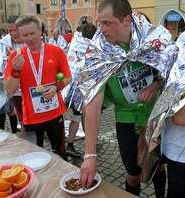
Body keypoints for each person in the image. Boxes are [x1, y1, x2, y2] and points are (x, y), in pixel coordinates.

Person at [79, 0, 166, 197]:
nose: (100, 30)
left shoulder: (149, 40)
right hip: (126, 117)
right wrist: (90, 154)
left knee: (159, 165)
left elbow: (168, 70)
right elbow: (92, 103)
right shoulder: (98, 51)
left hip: (154, 113)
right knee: (133, 173)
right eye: (99, 22)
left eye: (107, 23)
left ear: (126, 20)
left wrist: (156, 85)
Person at [5, 13, 72, 160]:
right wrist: (16, 71)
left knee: (60, 153)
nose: (29, 38)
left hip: (55, 114)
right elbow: (10, 89)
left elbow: (68, 77)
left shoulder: (56, 51)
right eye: (24, 35)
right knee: (34, 157)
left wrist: (56, 87)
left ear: (41, 30)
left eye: (33, 33)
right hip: (31, 117)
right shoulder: (16, 57)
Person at [66, 23, 97, 159]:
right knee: (88, 117)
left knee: (77, 117)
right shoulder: (94, 48)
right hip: (84, 90)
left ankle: (70, 144)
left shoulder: (74, 44)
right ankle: (90, 147)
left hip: (71, 88)